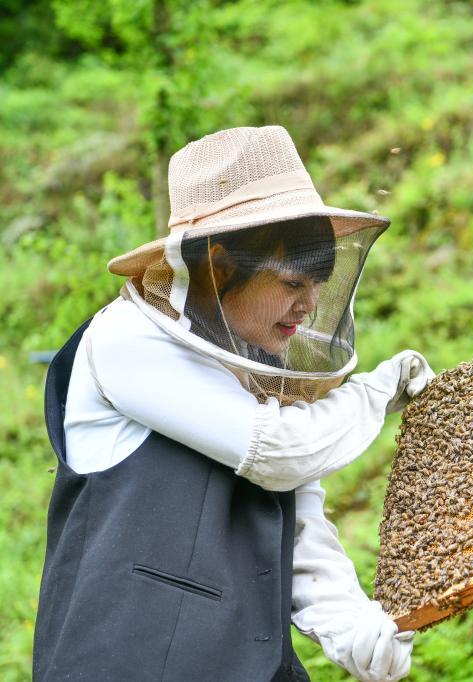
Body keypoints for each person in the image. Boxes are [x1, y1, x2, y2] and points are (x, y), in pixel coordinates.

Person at [34, 126, 431, 681]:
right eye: (294, 282)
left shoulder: (256, 362)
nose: (310, 305)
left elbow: (295, 516)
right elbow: (280, 451)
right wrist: (376, 391)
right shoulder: (126, 339)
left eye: (318, 285)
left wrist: (350, 624)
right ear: (219, 265)